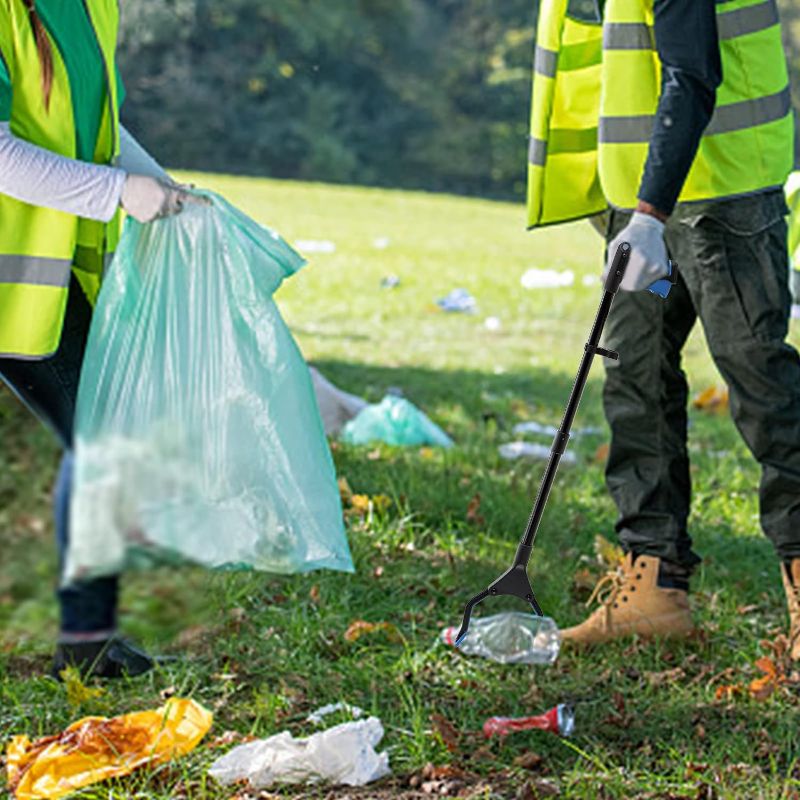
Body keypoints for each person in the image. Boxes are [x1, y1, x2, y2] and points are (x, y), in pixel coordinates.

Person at [526, 0, 800, 652]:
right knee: (635, 375)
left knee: (759, 382)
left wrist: (648, 212)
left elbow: (693, 70)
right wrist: (631, 211)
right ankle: (653, 585)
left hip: (719, 197)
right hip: (644, 210)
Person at [0, 0, 199, 678]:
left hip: (39, 281)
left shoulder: (90, 7)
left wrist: (167, 190)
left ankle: (88, 644)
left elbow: (95, 125)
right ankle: (86, 646)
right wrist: (117, 192)